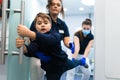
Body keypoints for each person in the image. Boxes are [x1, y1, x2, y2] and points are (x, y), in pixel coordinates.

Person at [16, 12, 88, 80]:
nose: (43, 25)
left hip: (64, 62)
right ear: (35, 26)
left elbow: (49, 40)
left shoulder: (55, 34)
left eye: (46, 23)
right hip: (52, 69)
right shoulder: (35, 41)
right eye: (39, 23)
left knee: (74, 63)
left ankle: (81, 62)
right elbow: (31, 50)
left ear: (50, 26)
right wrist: (23, 47)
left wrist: (29, 33)